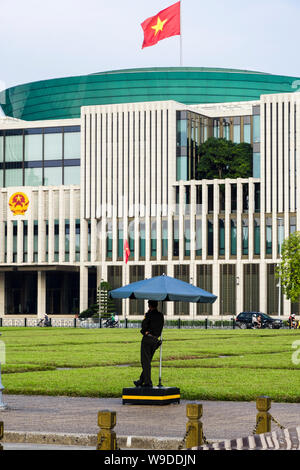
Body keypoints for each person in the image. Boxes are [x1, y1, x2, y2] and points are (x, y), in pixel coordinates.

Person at [134, 300, 164, 388]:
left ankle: (147, 382)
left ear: (149, 306)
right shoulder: (160, 315)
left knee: (145, 362)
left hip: (147, 339)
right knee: (148, 361)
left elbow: (143, 326)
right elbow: (160, 327)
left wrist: (145, 332)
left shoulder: (149, 314)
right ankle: (141, 380)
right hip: (155, 340)